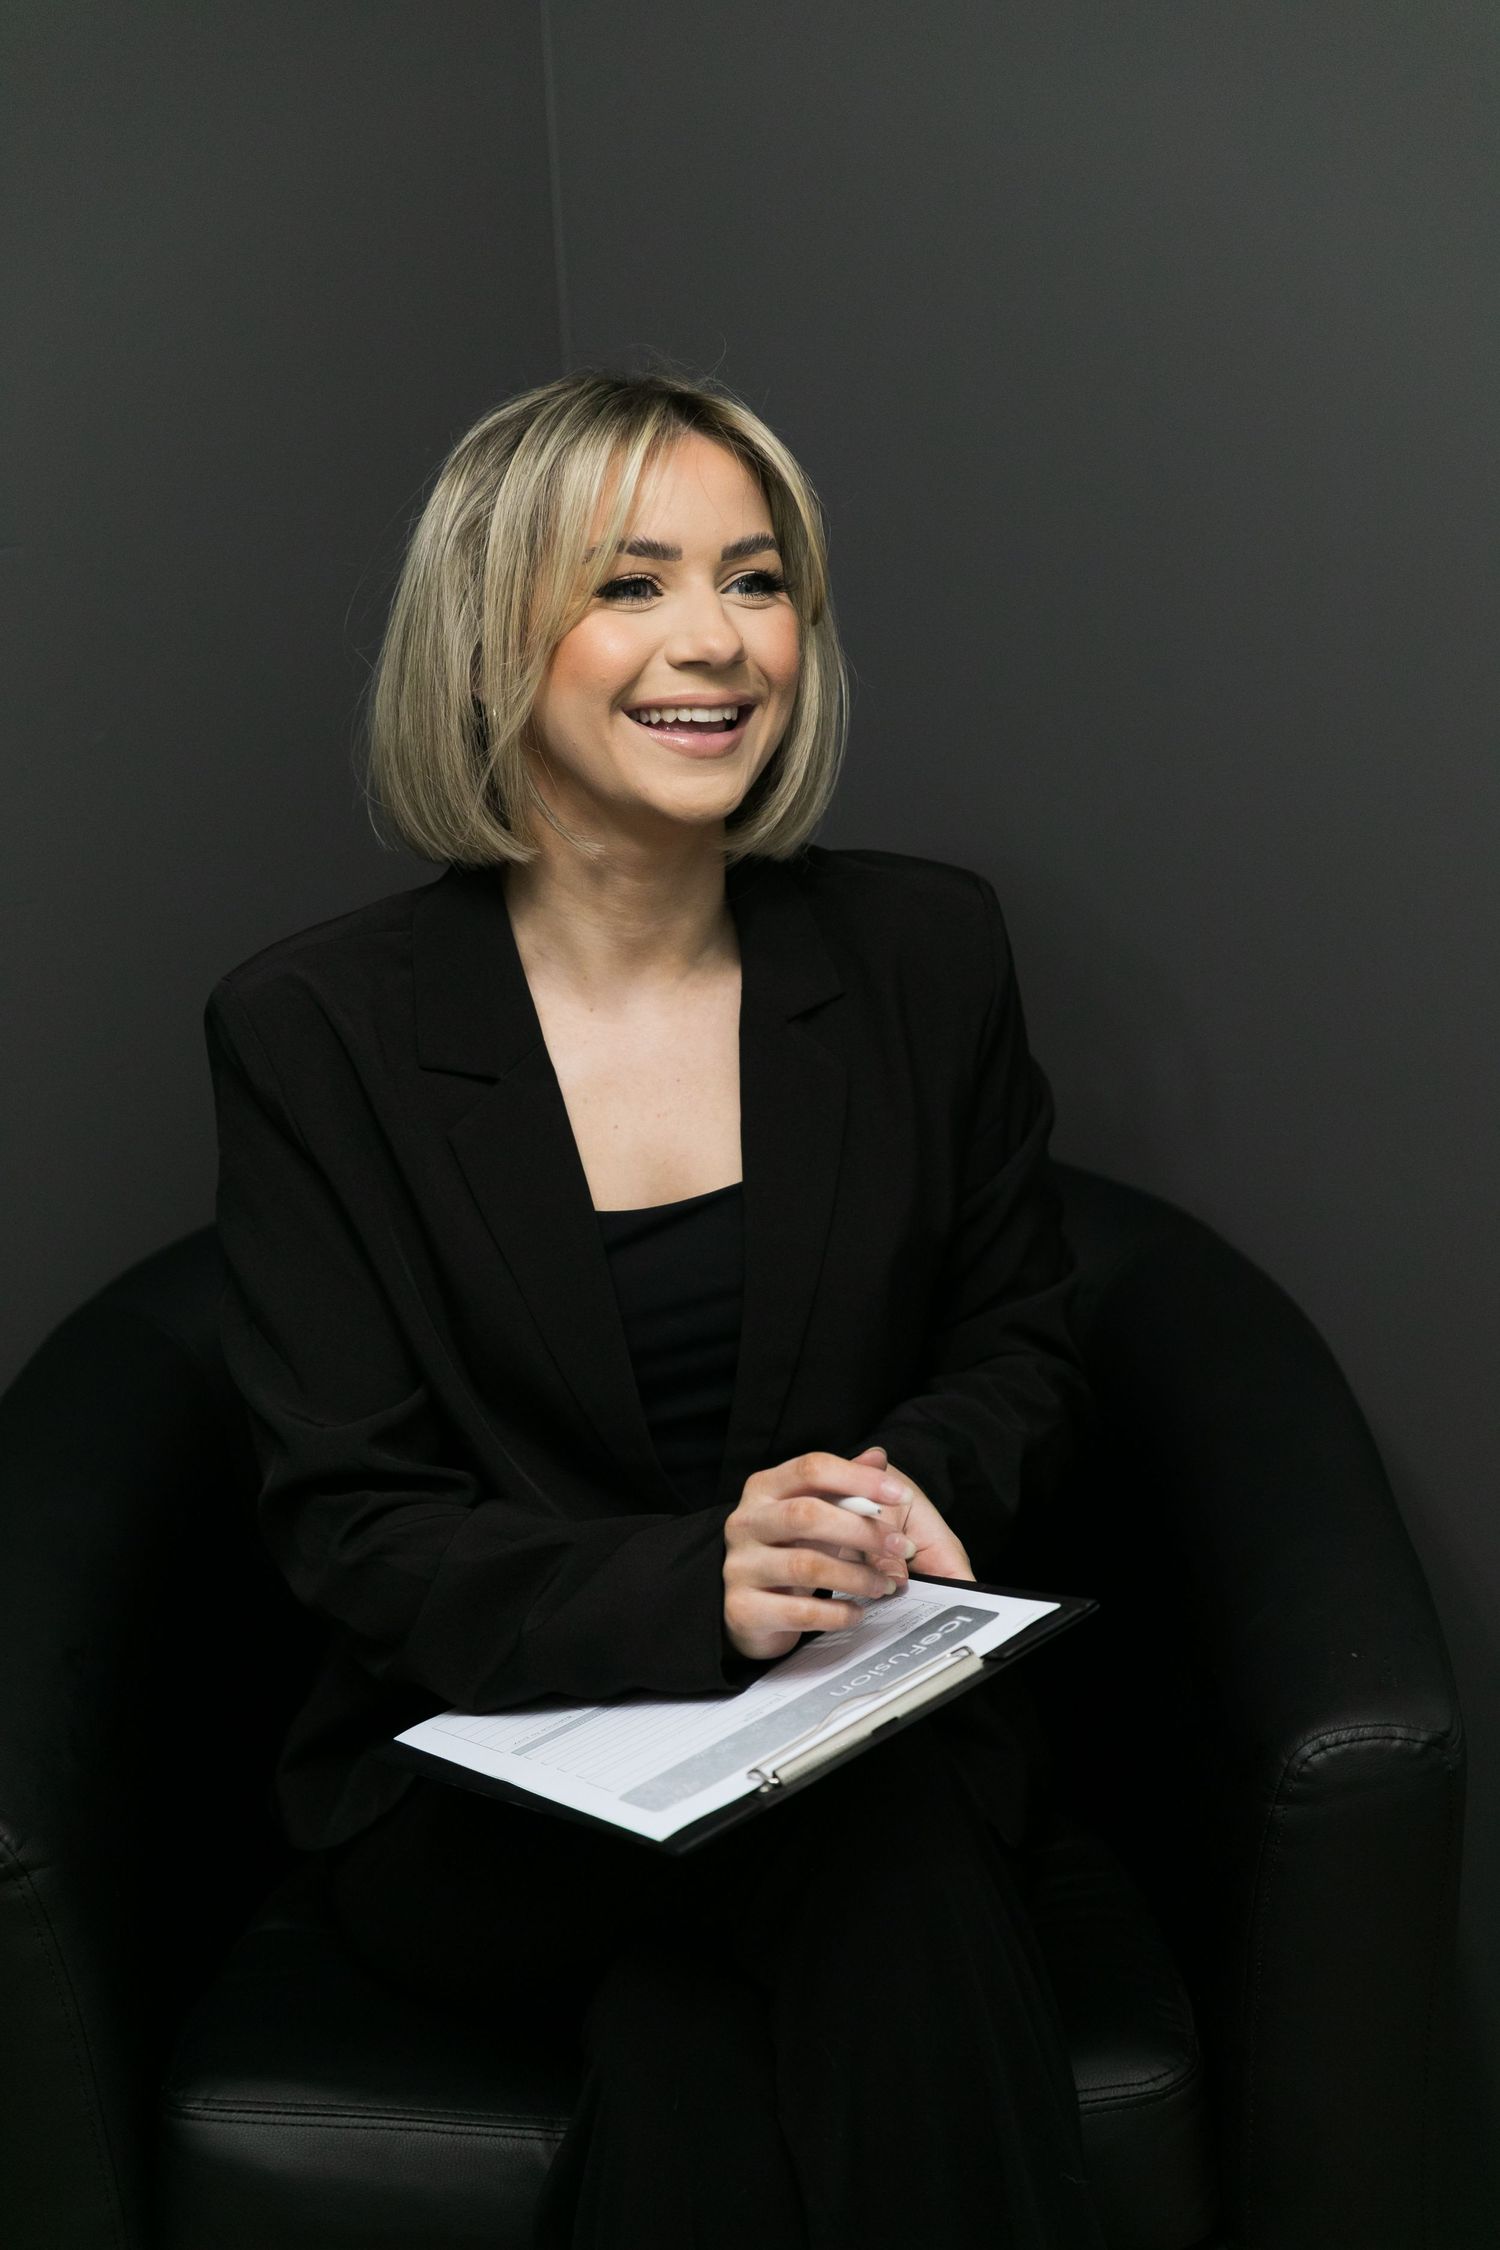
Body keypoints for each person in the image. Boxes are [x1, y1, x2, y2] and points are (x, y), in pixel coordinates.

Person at [204, 365, 1107, 2249]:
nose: (717, 641)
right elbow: (354, 1521)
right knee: (878, 1860)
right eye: (631, 583)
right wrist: (700, 1584)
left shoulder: (925, 950)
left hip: (858, 1713)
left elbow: (1019, 1335)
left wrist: (896, 1490)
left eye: (756, 579)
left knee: (712, 2022)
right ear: (491, 637)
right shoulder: (319, 1032)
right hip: (493, 1781)